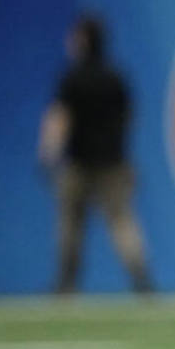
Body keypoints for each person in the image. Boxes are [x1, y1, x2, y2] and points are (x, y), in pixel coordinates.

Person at [37, 15, 152, 294]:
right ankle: (141, 280)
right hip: (113, 162)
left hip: (78, 163)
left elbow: (59, 119)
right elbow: (131, 118)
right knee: (122, 222)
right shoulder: (115, 78)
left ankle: (66, 283)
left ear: (84, 40)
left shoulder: (72, 78)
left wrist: (47, 153)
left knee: (71, 226)